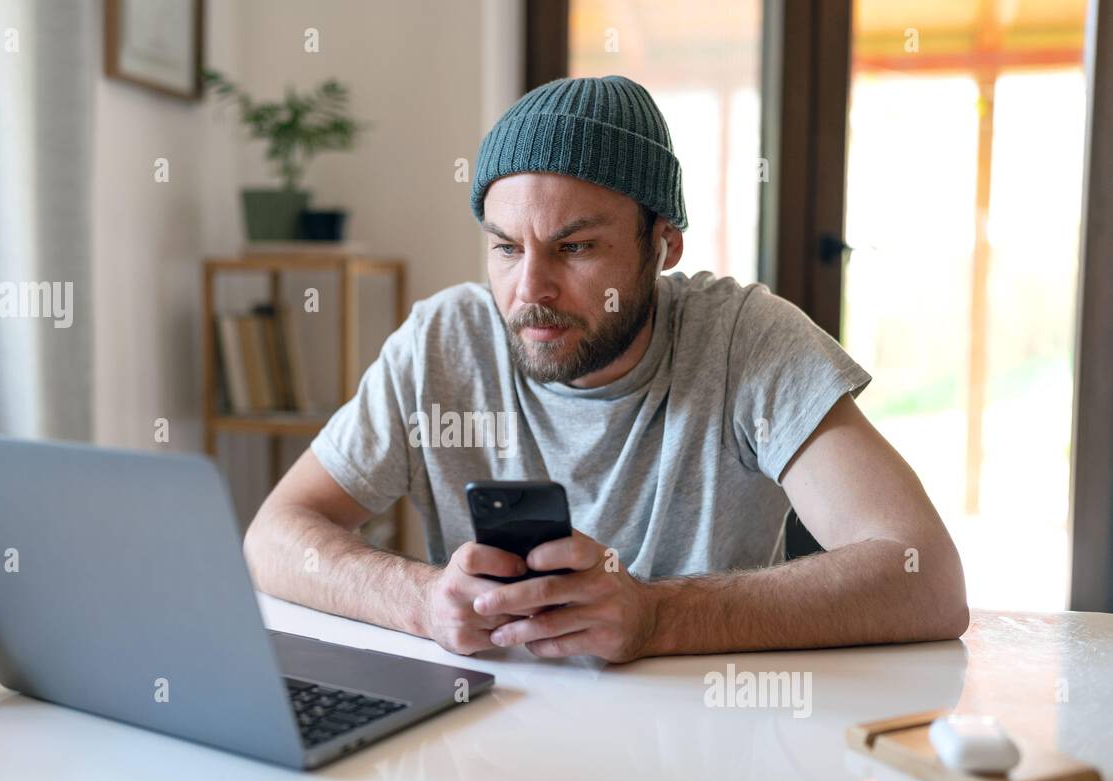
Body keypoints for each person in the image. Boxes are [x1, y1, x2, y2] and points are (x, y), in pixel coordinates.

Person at [244, 75, 968, 663]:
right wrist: (423, 600)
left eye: (575, 248)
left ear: (664, 243)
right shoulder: (443, 343)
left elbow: (926, 575)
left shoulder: (747, 341)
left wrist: (656, 618)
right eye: (505, 248)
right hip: (490, 753)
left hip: (702, 767)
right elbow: (274, 534)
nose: (529, 290)